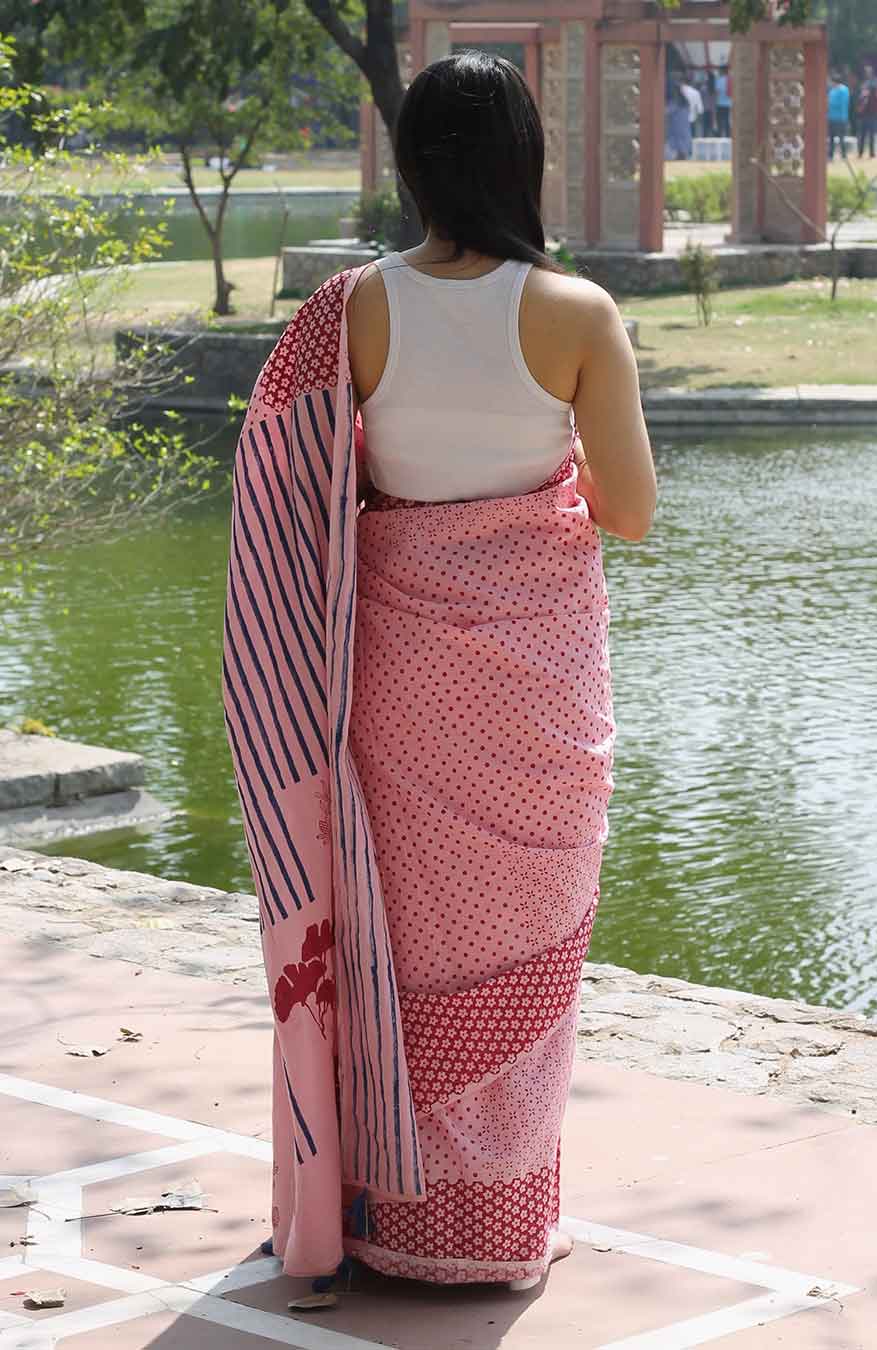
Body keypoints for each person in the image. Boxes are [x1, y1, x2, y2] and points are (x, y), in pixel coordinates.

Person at [223, 50, 656, 1295]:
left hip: (401, 679)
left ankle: (381, 1215)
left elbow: (294, 481)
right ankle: (495, 1228)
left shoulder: (352, 308)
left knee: (398, 943)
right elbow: (628, 512)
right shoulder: (576, 314)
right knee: (531, 946)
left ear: (413, 165)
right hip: (537, 691)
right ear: (525, 161)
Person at [857, 63, 877, 158]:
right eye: (866, 71)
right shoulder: (864, 82)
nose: (867, 73)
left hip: (873, 112)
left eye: (868, 71)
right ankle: (860, 153)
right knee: (862, 134)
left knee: (872, 134)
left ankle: (872, 153)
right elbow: (861, 96)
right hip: (864, 112)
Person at [666, 75, 693, 160]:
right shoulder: (684, 101)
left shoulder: (675, 102)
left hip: (676, 127)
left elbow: (665, 111)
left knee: (677, 142)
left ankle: (681, 156)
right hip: (684, 126)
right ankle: (683, 155)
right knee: (682, 141)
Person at [827, 71, 850, 161]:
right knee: (831, 138)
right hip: (831, 117)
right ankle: (830, 155)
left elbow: (841, 103)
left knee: (841, 137)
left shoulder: (843, 90)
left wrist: (829, 103)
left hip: (840, 118)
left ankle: (844, 155)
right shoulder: (832, 90)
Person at [715, 63, 733, 138]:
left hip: (720, 104)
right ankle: (728, 135)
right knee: (727, 121)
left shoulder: (719, 80)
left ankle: (720, 135)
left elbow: (717, 92)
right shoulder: (731, 80)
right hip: (730, 104)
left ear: (722, 71)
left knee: (720, 121)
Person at [702, 69, 717, 138]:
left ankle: (705, 137)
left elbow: (702, 97)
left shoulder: (704, 88)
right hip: (712, 109)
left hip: (705, 108)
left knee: (705, 126)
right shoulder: (714, 88)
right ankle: (712, 137)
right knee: (711, 125)